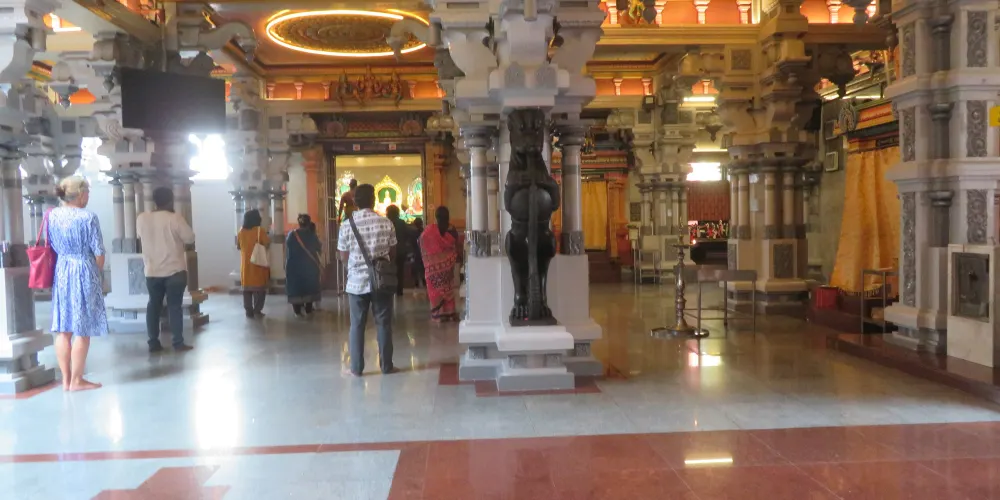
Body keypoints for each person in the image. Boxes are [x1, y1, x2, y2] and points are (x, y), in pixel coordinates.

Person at [48, 176, 107, 391]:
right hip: (84, 270)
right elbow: (99, 253)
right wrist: (94, 272)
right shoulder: (88, 217)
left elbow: (52, 245)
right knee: (82, 328)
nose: (89, 196)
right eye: (87, 192)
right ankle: (77, 380)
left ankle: (65, 380)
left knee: (63, 329)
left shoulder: (52, 215)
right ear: (80, 194)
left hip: (62, 270)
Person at [337, 183, 397, 376]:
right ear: (374, 200)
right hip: (381, 281)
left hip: (356, 283)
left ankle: (356, 368)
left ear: (355, 202)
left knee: (357, 325)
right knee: (384, 323)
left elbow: (343, 256)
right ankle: (387, 366)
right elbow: (392, 252)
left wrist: (355, 267)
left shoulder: (346, 225)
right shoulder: (386, 223)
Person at [136, 187, 196, 352]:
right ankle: (178, 342)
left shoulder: (142, 218)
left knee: (153, 306)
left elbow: (140, 236)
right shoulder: (175, 218)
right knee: (174, 307)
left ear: (154, 201)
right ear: (171, 200)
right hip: (174, 271)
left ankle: (153, 342)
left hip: (152, 271)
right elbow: (190, 238)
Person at [418, 206, 461, 322]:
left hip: (432, 269)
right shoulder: (451, 230)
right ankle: (450, 312)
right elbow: (456, 246)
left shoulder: (429, 231)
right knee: (448, 288)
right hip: (447, 267)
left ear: (436, 217)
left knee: (436, 291)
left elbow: (421, 241)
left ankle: (439, 314)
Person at [285, 214, 323, 316]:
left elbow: (287, 249)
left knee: (295, 288)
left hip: (293, 266)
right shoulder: (312, 235)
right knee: (309, 288)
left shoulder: (291, 235)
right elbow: (318, 247)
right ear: (308, 223)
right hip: (309, 266)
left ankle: (297, 311)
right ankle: (308, 309)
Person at [237, 209, 270, 318]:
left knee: (247, 290)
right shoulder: (260, 231)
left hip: (245, 266)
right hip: (258, 264)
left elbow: (238, 246)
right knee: (260, 290)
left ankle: (248, 311)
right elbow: (267, 244)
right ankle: (257, 310)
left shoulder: (241, 232)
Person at [385, 205, 412, 296]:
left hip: (388, 251)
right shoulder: (401, 222)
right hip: (401, 250)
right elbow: (407, 234)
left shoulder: (386, 222)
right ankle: (399, 290)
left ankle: (389, 289)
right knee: (400, 271)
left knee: (388, 271)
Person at [410, 217, 425, 288]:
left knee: (415, 268)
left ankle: (416, 282)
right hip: (424, 252)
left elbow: (411, 243)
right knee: (423, 268)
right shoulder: (424, 231)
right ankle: (424, 281)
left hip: (416, 252)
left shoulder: (413, 233)